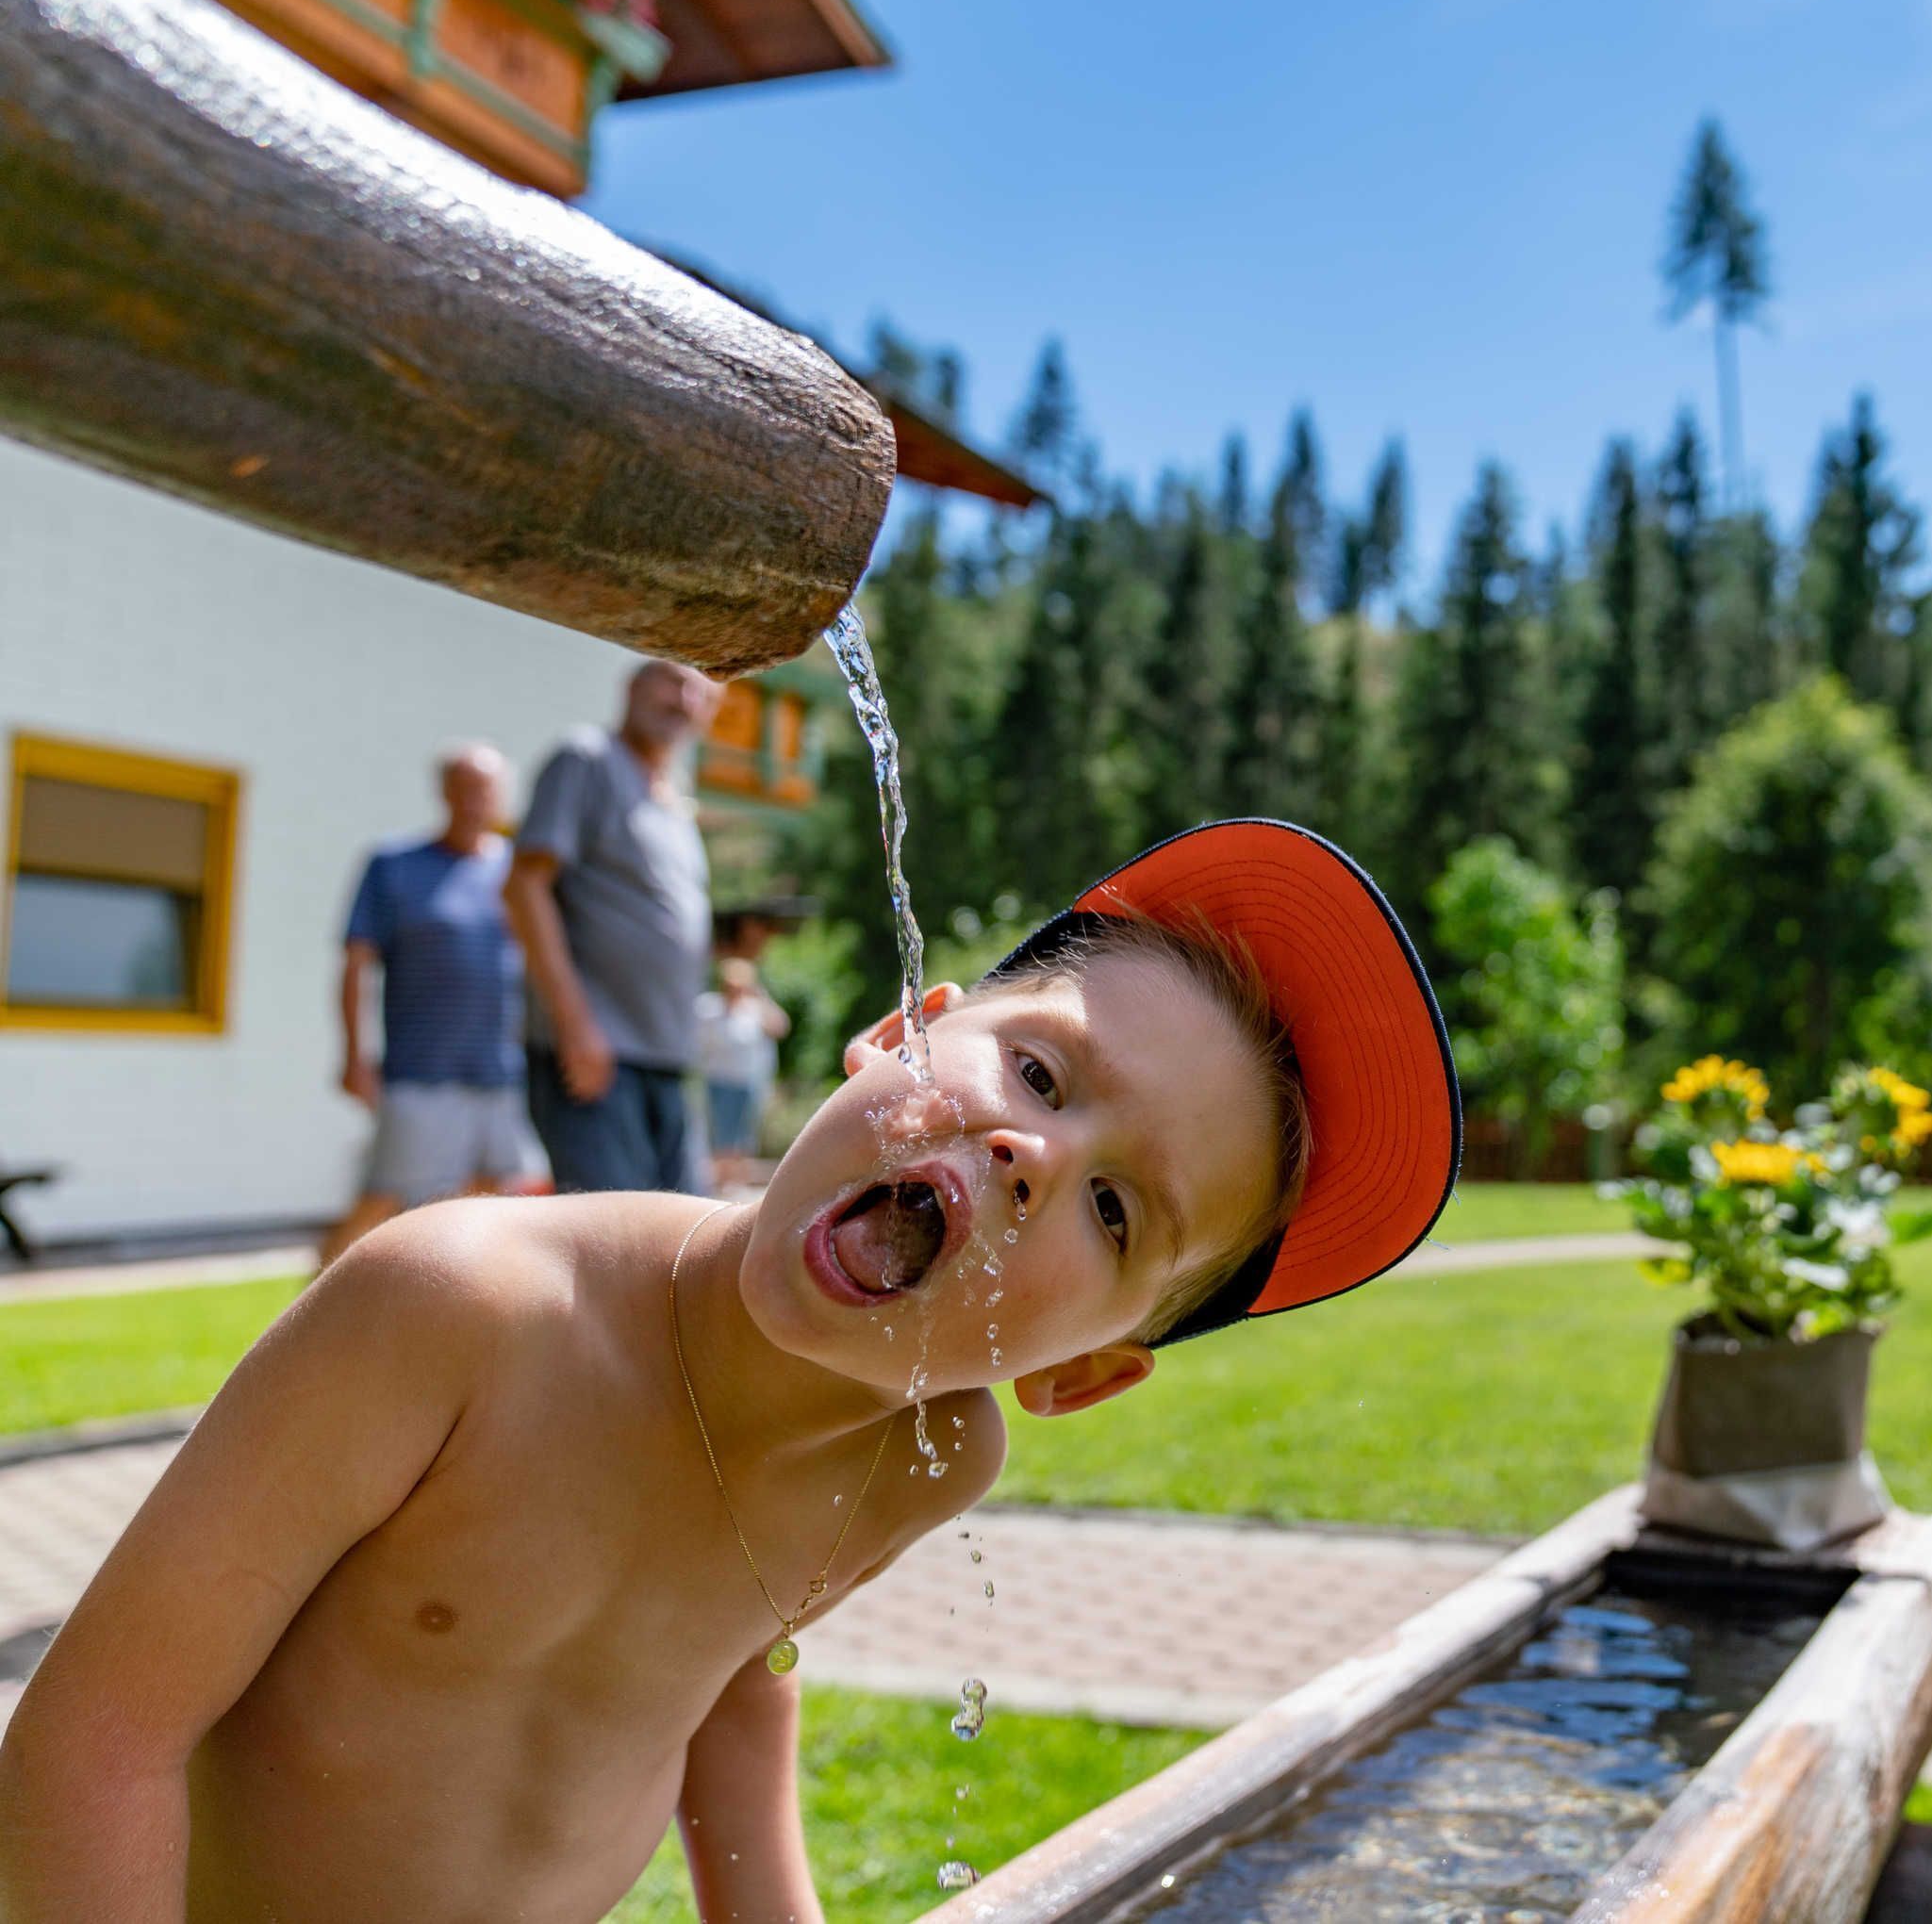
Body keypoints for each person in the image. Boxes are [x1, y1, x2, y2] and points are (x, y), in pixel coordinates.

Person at [0, 823, 1460, 1922]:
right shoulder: (456, 1312)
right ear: (896, 1034)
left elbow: (727, 1673)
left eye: (1117, 1208)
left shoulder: (925, 1460)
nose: (1033, 1154)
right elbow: (96, 1741)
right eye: (1039, 1073)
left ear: (1082, 1374)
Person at [319, 745, 543, 1267]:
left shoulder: (517, 876)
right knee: (382, 1199)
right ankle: (304, 1318)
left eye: (485, 789)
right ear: (444, 793)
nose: (474, 800)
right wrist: (354, 1056)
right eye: (463, 788)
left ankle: (443, 1308)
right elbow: (355, 965)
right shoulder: (394, 866)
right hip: (419, 1071)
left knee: (488, 1202)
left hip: (500, 1073)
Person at [506, 660, 724, 1195]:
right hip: (598, 1054)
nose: (683, 699)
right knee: (611, 1248)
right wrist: (574, 1024)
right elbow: (524, 888)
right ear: (632, 686)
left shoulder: (674, 799)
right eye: (671, 680)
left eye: (699, 691)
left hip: (665, 1056)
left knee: (680, 1242)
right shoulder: (586, 759)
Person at [699, 956, 792, 1189]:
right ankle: (720, 1183)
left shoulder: (752, 1010)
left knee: (743, 1135)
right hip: (719, 1079)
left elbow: (780, 1027)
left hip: (748, 1081)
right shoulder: (709, 1008)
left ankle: (734, 1182)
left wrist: (760, 996)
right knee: (721, 1134)